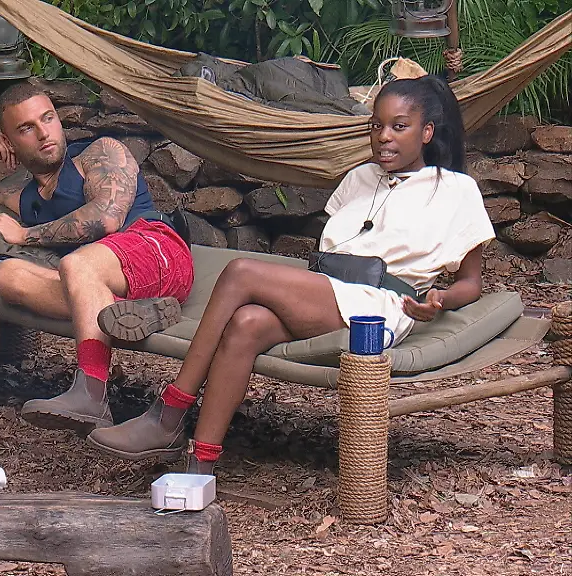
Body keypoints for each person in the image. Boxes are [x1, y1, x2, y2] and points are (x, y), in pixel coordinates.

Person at [87, 76, 495, 474]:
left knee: (241, 272)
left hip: (378, 307)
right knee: (246, 324)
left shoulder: (455, 190)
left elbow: (471, 283)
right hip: (330, 290)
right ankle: (200, 466)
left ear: (426, 132)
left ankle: (170, 412)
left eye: (399, 127)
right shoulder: (360, 178)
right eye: (376, 126)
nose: (384, 136)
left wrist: (440, 300)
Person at [0, 82, 194, 434]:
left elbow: (107, 217)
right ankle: (130, 310)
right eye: (27, 128)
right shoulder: (18, 194)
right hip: (101, 281)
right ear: (8, 142)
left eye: (48, 118)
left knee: (76, 264)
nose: (44, 133)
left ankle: (91, 394)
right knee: (8, 277)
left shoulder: (100, 153)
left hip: (155, 248)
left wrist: (25, 235)